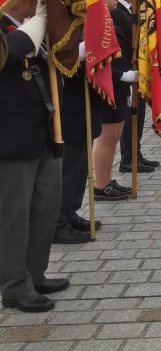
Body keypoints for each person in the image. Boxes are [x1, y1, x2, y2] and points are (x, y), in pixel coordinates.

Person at [0, 0, 70, 312]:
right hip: (11, 136)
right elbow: (10, 52)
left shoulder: (35, 26)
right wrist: (38, 25)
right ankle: (14, 284)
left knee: (46, 204)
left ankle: (35, 273)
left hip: (44, 128)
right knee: (15, 215)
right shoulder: (10, 26)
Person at [55, 34, 103, 244]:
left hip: (87, 105)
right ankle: (59, 223)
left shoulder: (84, 24)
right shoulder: (61, 27)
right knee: (69, 170)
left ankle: (71, 212)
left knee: (81, 168)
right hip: (71, 107)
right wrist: (78, 56)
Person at [111, 0, 159, 174]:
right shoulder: (115, 12)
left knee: (139, 115)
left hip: (137, 68)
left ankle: (136, 154)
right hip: (125, 70)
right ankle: (127, 160)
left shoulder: (130, 9)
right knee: (131, 116)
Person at [93, 0, 134, 201]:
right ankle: (100, 183)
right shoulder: (96, 21)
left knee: (116, 134)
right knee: (106, 136)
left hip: (120, 83)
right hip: (109, 83)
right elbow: (101, 59)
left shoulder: (110, 19)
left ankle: (107, 179)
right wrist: (121, 75)